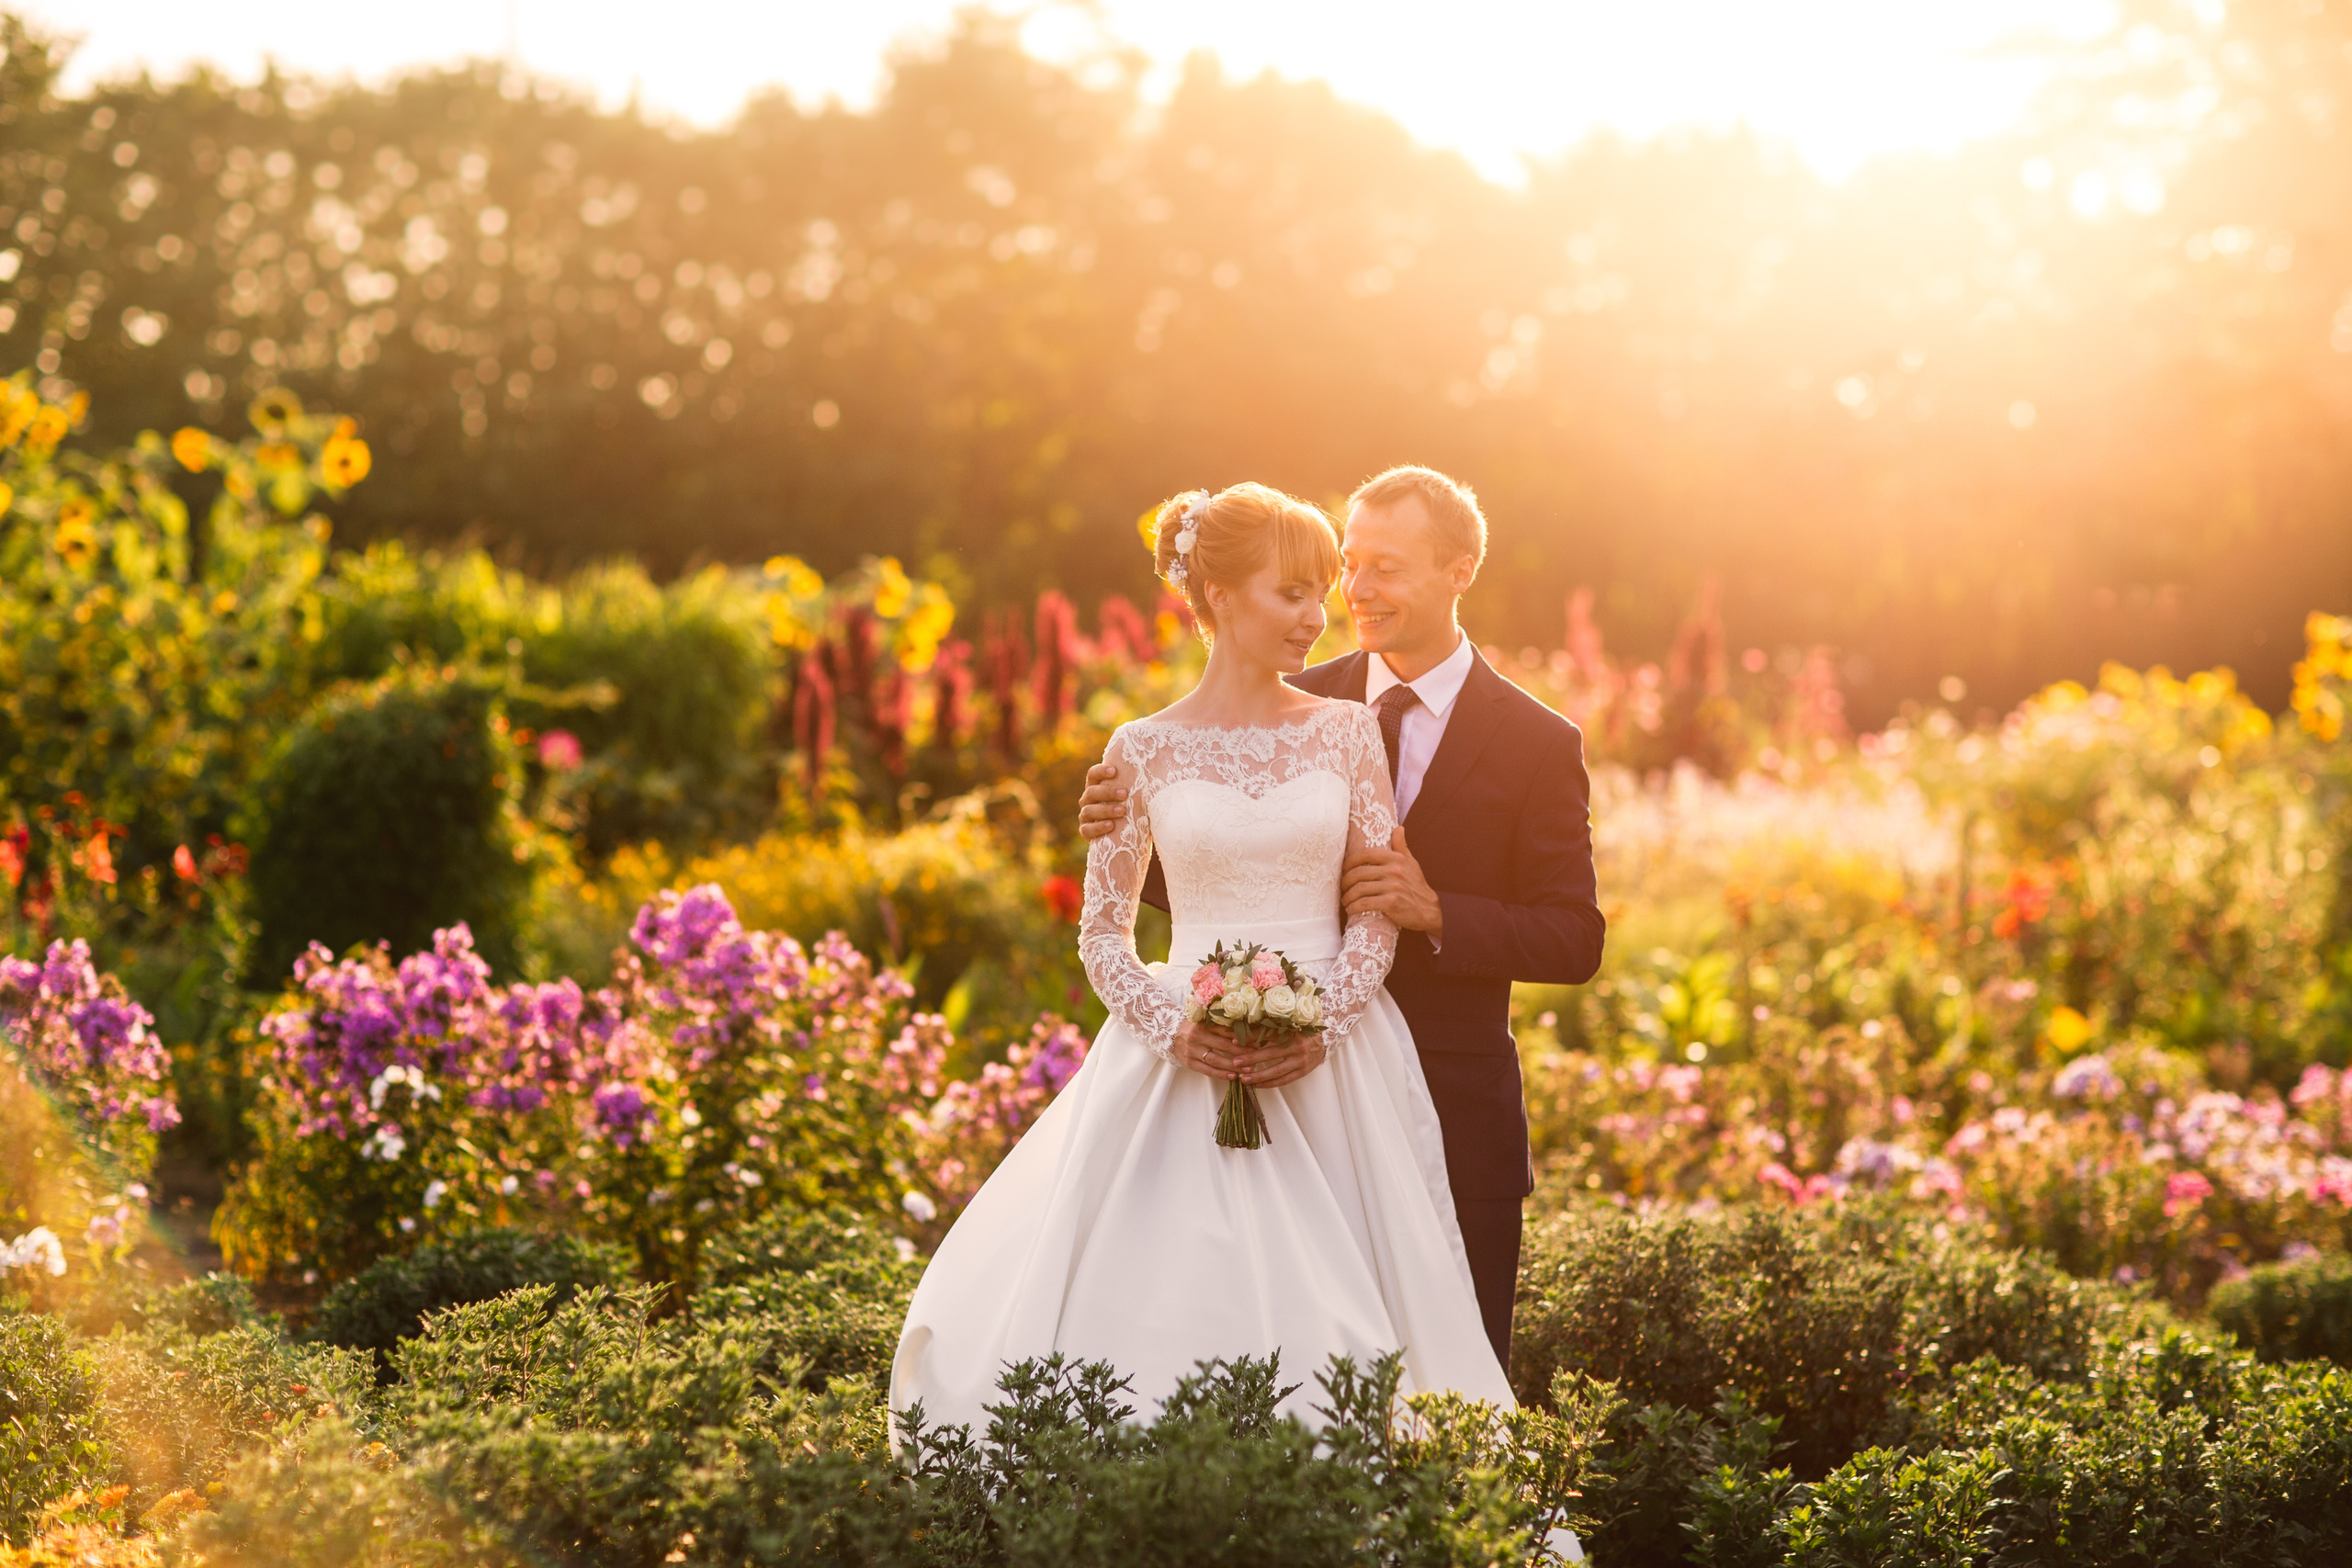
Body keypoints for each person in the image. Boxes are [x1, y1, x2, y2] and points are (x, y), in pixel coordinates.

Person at [892, 481, 1514, 1434]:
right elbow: (1103, 932)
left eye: (1321, 592)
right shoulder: (1138, 751)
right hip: (1177, 1056)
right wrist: (1173, 1027)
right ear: (1220, 597)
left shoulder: (1348, 732)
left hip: (1336, 1068)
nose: (1318, 616)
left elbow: (1375, 912)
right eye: (1292, 594)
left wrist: (1321, 1025)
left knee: (1357, 1325)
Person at [1077, 466, 1605, 1371]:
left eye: (1384, 569)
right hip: (1240, 1071)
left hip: (1441, 1093)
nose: (1353, 593)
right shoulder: (1281, 684)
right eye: (1347, 566)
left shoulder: (1536, 742)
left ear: (1459, 571)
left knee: (1437, 1383)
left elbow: (1574, 936)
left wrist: (1437, 913)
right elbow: (1209, 872)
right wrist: (1116, 820)